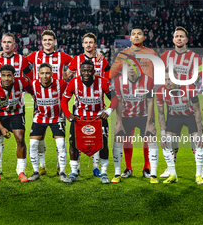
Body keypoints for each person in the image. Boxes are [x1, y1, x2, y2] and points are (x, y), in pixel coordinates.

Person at [159, 26, 203, 178]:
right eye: (177, 36)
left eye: (182, 36)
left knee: (196, 137)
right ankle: (170, 168)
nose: (179, 38)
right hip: (172, 103)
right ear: (173, 39)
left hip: (189, 99)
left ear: (186, 40)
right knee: (172, 138)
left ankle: (200, 169)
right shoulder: (165, 56)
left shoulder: (195, 57)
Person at [109, 26, 158, 177]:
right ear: (129, 38)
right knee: (126, 136)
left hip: (145, 99)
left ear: (144, 37)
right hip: (128, 100)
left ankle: (147, 168)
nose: (136, 36)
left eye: (139, 34)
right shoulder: (123, 54)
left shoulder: (151, 54)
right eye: (133, 34)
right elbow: (111, 73)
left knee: (148, 135)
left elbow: (159, 74)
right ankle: (128, 168)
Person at [61, 60, 118, 184]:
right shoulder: (73, 82)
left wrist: (108, 111)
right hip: (79, 119)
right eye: (83, 70)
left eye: (89, 70)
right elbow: (63, 101)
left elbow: (114, 99)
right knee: (73, 142)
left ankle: (103, 172)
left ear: (93, 71)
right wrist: (68, 114)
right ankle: (74, 171)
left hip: (98, 118)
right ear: (80, 71)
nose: (86, 73)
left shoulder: (102, 82)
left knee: (103, 143)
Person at [26, 30, 72, 176]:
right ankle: (41, 166)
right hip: (40, 97)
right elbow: (21, 63)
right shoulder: (35, 55)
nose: (47, 42)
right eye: (45, 40)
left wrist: (67, 75)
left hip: (58, 101)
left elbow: (77, 62)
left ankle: (60, 167)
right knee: (41, 135)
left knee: (59, 137)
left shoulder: (62, 56)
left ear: (54, 41)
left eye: (50, 40)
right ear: (41, 41)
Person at [64, 32, 110, 177]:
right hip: (80, 106)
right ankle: (75, 170)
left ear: (95, 44)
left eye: (91, 42)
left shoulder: (102, 60)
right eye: (86, 42)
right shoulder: (76, 59)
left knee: (98, 139)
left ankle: (97, 168)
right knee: (77, 139)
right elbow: (66, 75)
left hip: (98, 105)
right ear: (82, 44)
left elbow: (109, 76)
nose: (88, 45)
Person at [0, 32, 33, 175]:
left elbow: (31, 76)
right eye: (4, 42)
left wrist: (32, 91)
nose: (7, 44)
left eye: (10, 42)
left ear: (15, 45)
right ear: (1, 44)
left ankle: (20, 169)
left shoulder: (22, 59)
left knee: (19, 137)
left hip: (16, 105)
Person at [156, 68, 203, 184]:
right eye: (165, 79)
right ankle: (173, 174)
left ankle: (199, 174)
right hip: (174, 117)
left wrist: (200, 132)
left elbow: (197, 110)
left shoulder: (189, 88)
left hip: (191, 116)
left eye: (170, 79)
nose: (167, 82)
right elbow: (161, 114)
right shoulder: (161, 91)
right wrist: (163, 134)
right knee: (166, 142)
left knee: (198, 141)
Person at [0, 64, 31, 182]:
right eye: (3, 75)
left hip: (16, 113)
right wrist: (1, 127)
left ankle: (21, 172)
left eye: (9, 76)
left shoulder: (22, 82)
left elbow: (34, 89)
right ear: (0, 76)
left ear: (14, 76)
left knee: (20, 139)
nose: (6, 79)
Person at [28, 63, 68, 182]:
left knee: (61, 144)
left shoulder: (61, 84)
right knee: (33, 145)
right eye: (42, 73)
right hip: (39, 117)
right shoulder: (33, 85)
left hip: (57, 118)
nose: (45, 75)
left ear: (52, 73)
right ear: (38, 74)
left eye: (47, 73)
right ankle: (36, 171)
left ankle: (62, 171)